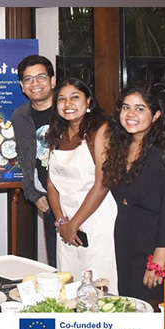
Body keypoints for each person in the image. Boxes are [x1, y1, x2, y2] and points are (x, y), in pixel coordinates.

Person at [103, 85, 165, 303]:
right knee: (137, 315)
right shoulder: (120, 148)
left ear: (155, 116)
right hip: (129, 243)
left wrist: (158, 261)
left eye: (140, 108)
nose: (131, 114)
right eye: (126, 107)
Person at [46, 78, 118, 290]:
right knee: (69, 285)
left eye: (74, 97)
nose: (68, 104)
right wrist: (62, 223)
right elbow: (52, 185)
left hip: (96, 219)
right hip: (66, 224)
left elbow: (102, 183)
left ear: (88, 101)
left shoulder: (100, 131)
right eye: (61, 99)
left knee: (99, 285)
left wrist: (74, 225)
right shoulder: (57, 134)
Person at [11, 55, 57, 267]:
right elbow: (22, 158)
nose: (35, 84)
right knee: (58, 264)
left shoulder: (68, 109)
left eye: (41, 77)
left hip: (79, 198)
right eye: (28, 79)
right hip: (48, 201)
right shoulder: (19, 117)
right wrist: (32, 194)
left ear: (52, 80)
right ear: (21, 86)